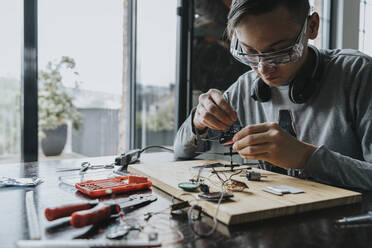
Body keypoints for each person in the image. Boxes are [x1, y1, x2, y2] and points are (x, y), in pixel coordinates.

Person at [173, 0, 372, 190]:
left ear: (312, 26)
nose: (263, 69)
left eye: (279, 52)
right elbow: (181, 149)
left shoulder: (359, 75)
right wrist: (198, 121)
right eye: (249, 52)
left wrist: (306, 158)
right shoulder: (246, 87)